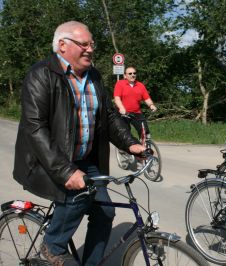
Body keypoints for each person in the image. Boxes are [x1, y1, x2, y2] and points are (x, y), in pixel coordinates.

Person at [13, 21, 145, 266]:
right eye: (83, 44)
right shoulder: (41, 74)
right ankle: (51, 246)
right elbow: (35, 128)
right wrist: (66, 171)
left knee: (105, 212)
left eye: (92, 44)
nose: (90, 49)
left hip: (85, 158)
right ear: (62, 45)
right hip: (48, 161)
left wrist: (130, 144)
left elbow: (108, 116)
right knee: (81, 192)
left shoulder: (93, 75)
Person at [114, 66, 157, 139]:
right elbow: (117, 98)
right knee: (125, 134)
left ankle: (145, 146)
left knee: (145, 132)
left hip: (136, 113)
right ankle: (124, 149)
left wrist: (151, 105)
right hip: (124, 113)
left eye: (134, 73)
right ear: (125, 75)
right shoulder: (120, 84)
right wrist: (121, 108)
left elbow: (147, 98)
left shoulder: (140, 85)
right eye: (130, 73)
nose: (132, 75)